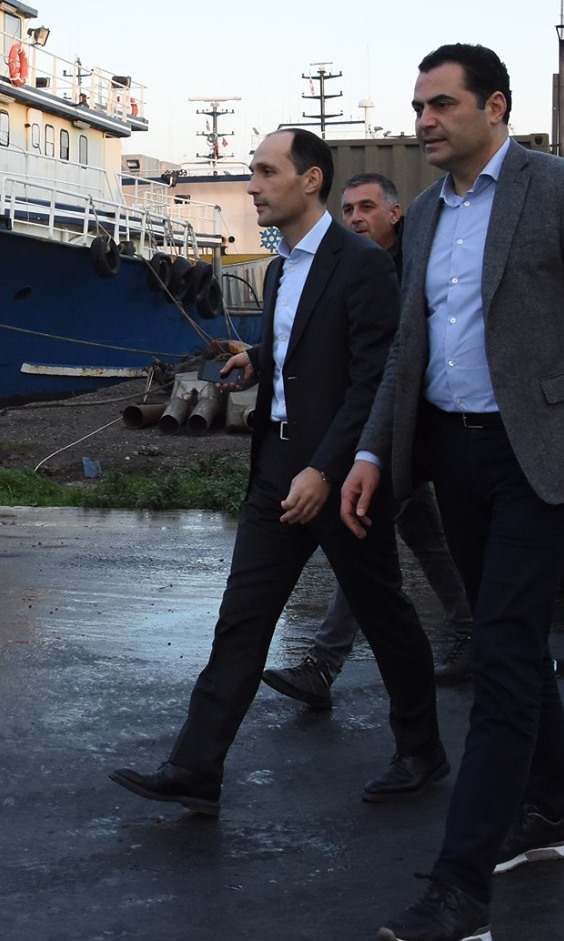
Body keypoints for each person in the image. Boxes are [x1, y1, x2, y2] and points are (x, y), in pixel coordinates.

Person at [339, 45, 564, 941]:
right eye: (418, 106)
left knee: (502, 654)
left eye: (442, 104)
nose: (424, 121)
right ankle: (547, 811)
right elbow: (409, 350)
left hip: (542, 459)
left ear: (495, 106)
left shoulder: (563, 190)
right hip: (454, 452)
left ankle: (461, 890)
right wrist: (372, 451)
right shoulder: (427, 216)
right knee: (508, 637)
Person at [109, 130, 445, 816]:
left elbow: (372, 380)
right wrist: (259, 358)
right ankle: (195, 767)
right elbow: (304, 339)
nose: (253, 185)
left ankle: (421, 751)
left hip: (340, 477)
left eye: (266, 172)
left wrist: (326, 468)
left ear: (310, 180)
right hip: (276, 467)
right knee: (243, 617)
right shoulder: (281, 268)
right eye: (253, 172)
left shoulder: (362, 265)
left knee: (382, 612)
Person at [263, 172, 477, 703]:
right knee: (417, 534)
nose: (355, 219)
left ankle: (325, 664)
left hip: (407, 427)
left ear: (395, 214)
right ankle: (471, 628)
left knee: (359, 537)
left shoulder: (415, 266)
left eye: (367, 208)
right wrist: (256, 357)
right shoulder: (350, 267)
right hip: (376, 429)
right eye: (349, 210)